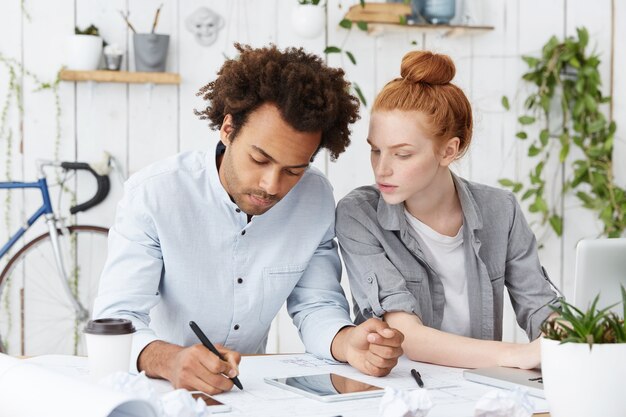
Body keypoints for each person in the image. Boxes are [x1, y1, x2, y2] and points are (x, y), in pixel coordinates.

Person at [93, 44, 404, 394]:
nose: (272, 186)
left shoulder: (314, 198)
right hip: (155, 390)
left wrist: (346, 342)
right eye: (259, 159)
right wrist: (171, 360)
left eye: (293, 170)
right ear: (228, 129)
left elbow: (316, 305)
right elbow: (117, 321)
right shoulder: (155, 195)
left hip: (248, 393)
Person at [335, 51, 559, 370]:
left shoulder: (500, 210)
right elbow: (405, 333)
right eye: (375, 150)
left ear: (448, 150)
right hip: (401, 390)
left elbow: (540, 307)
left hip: (480, 390)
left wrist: (565, 334)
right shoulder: (359, 214)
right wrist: (517, 355)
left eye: (402, 154)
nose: (381, 169)